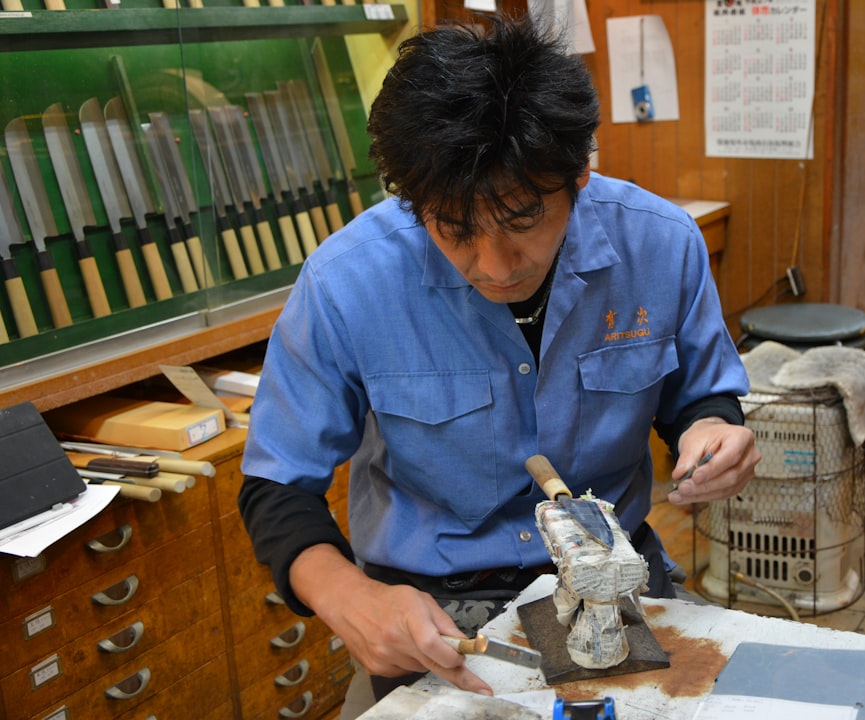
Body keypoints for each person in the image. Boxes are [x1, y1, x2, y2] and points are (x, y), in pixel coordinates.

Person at [238, 13, 760, 713]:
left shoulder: (660, 245)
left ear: (578, 174)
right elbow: (277, 487)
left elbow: (698, 396)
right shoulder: (347, 282)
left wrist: (711, 430)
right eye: (454, 229)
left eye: (520, 218)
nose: (494, 265)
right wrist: (348, 596)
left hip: (612, 594)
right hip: (436, 618)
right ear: (412, 199)